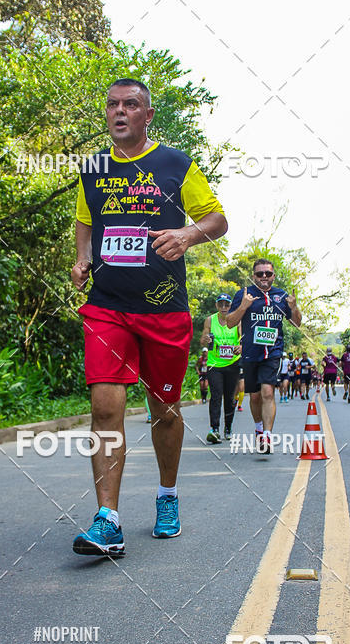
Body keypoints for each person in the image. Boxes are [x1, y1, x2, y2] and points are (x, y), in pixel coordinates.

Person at [71, 78, 227, 557]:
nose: (120, 112)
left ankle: (166, 496)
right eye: (113, 104)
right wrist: (82, 259)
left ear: (147, 115)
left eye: (131, 104)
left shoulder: (175, 164)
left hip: (163, 310)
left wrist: (186, 234)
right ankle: (108, 519)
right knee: (105, 406)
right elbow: (86, 223)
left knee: (164, 410)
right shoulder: (93, 169)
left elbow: (218, 219)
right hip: (107, 306)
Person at [227, 259, 301, 454]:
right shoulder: (244, 295)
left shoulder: (281, 296)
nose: (264, 277)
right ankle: (259, 428)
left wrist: (293, 308)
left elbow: (297, 324)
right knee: (255, 396)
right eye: (260, 274)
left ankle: (267, 435)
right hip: (251, 354)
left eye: (268, 273)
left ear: (273, 275)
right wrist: (243, 306)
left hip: (273, 353)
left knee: (268, 392)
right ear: (254, 276)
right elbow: (230, 322)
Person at [200, 294, 242, 443]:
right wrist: (205, 339)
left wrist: (240, 347)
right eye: (221, 304)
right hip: (214, 364)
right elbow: (203, 340)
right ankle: (214, 429)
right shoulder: (210, 320)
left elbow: (243, 340)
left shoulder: (237, 320)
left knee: (230, 398)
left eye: (227, 305)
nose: (224, 308)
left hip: (232, 364)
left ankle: (228, 428)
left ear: (231, 306)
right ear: (217, 306)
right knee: (216, 395)